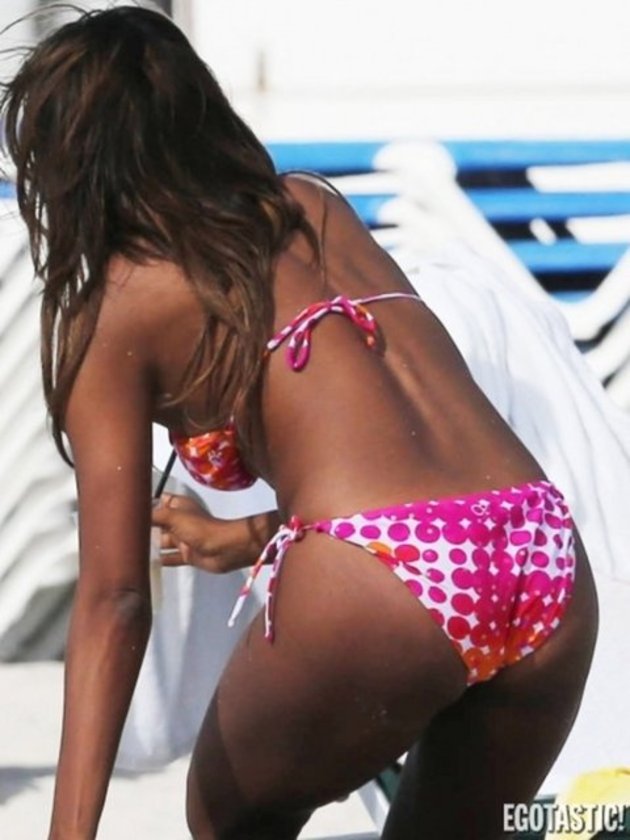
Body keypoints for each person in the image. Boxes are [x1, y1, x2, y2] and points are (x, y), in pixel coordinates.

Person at [1, 6, 598, 839]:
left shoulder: (118, 307)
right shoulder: (314, 209)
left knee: (228, 818)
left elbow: (115, 598)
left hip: (388, 576)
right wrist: (245, 539)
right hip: (540, 553)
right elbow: (421, 488)